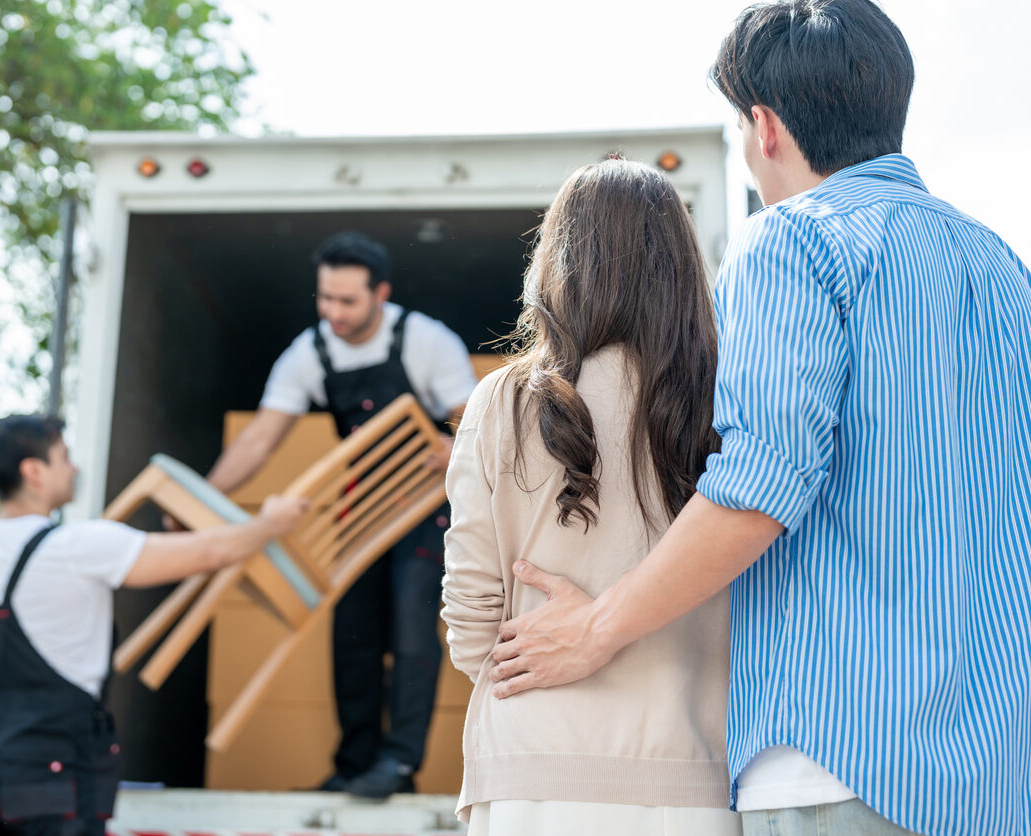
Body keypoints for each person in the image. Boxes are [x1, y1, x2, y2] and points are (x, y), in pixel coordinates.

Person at [485, 2, 1031, 835]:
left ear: (764, 127)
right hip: (993, 771)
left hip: (841, 751)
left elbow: (762, 482)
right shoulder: (999, 266)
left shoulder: (794, 241)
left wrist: (597, 627)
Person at [441, 157, 741, 835]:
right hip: (688, 774)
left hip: (530, 773)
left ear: (556, 260)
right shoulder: (728, 398)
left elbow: (470, 615)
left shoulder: (503, 400)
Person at [0, 414, 308, 835]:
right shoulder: (75, 545)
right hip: (52, 764)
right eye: (64, 458)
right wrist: (272, 524)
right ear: (34, 472)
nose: (74, 468)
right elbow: (206, 553)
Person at [201, 231, 478, 798]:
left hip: (424, 505)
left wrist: (456, 448)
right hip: (360, 504)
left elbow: (474, 423)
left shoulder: (426, 341)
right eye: (324, 298)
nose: (333, 313)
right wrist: (205, 498)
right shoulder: (311, 351)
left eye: (347, 301)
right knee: (350, 632)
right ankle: (354, 764)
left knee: (410, 630)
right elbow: (259, 440)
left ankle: (398, 764)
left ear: (381, 293)